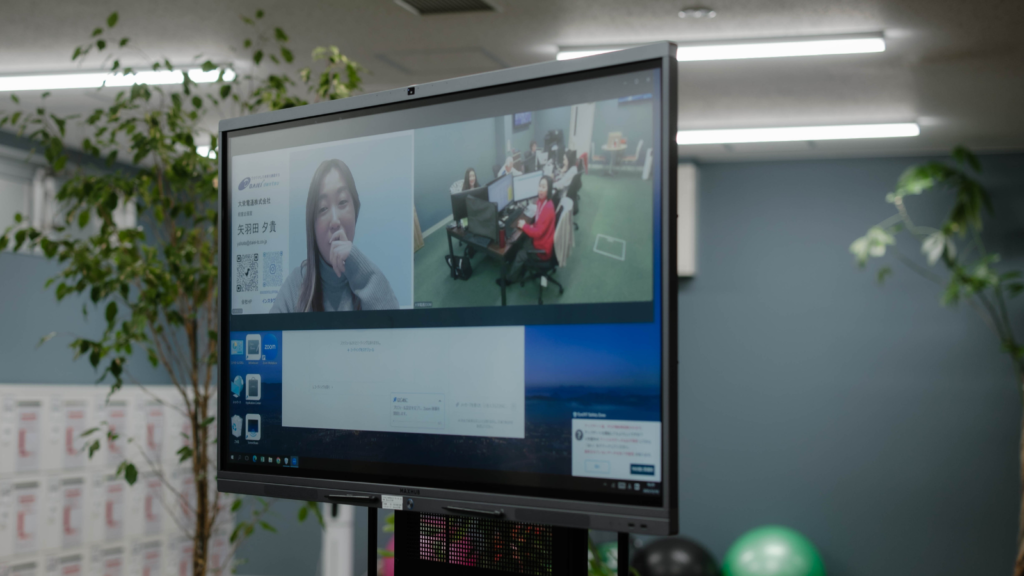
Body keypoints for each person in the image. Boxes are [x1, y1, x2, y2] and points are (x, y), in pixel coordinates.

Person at [271, 159, 399, 312]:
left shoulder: (371, 277)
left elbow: (393, 323)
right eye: (323, 208)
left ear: (355, 209)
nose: (334, 220)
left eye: (342, 201)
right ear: (312, 225)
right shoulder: (295, 285)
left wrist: (358, 267)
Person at [500, 175, 556, 285]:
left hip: (543, 250)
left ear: (548, 189)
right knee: (521, 240)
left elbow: (538, 233)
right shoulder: (541, 201)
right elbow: (539, 223)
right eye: (540, 186)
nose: (540, 189)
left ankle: (510, 279)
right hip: (543, 240)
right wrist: (529, 226)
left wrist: (525, 226)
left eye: (544, 187)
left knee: (520, 253)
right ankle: (518, 266)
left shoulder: (548, 207)